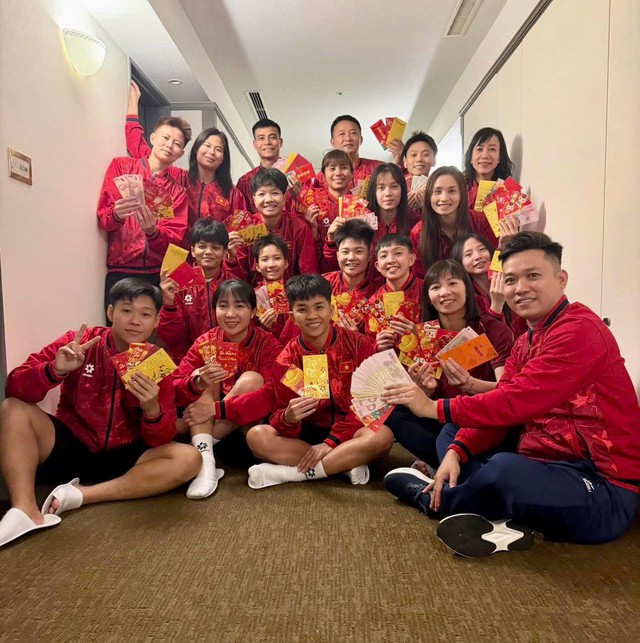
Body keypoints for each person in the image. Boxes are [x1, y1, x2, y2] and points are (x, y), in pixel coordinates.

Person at [382, 232, 640, 557]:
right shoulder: (525, 340)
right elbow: (501, 409)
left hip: (602, 487)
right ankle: (504, 519)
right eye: (511, 279)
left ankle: (439, 501)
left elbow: (512, 402)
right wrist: (456, 452)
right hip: (541, 463)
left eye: (533, 276)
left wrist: (432, 407)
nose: (520, 288)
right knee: (455, 434)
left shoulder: (579, 330)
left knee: (504, 468)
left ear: (561, 279)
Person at [0, 279, 201, 548]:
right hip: (73, 442)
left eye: (145, 314)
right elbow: (15, 385)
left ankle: (82, 495)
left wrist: (152, 408)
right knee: (12, 408)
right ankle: (26, 510)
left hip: (126, 453)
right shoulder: (81, 342)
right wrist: (54, 370)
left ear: (155, 322)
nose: (135, 321)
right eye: (126, 311)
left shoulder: (156, 361)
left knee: (190, 458)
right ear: (110, 312)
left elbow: (160, 439)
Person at [245, 274, 394, 489]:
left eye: (319, 307)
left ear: (331, 310)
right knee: (256, 436)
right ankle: (343, 463)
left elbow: (370, 405)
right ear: (292, 317)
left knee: (382, 436)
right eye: (303, 309)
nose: (312, 316)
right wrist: (288, 418)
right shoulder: (286, 361)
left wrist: (331, 442)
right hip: (306, 436)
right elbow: (280, 417)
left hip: (350, 431)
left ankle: (295, 474)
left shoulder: (359, 344)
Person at [385, 259, 514, 469]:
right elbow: (428, 402)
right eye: (436, 287)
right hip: (444, 415)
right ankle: (450, 465)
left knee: (452, 429)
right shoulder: (424, 336)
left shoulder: (493, 330)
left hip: (483, 417)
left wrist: (471, 384)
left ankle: (451, 468)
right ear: (428, 297)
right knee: (394, 411)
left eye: (453, 283)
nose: (444, 292)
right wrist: (425, 390)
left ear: (467, 289)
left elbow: (507, 390)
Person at [173, 280, 283, 499]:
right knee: (201, 374)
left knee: (252, 379)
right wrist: (197, 383)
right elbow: (176, 384)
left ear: (253, 311)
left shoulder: (268, 344)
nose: (230, 314)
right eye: (223, 306)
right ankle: (206, 464)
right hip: (206, 419)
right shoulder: (206, 341)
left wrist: (217, 409)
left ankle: (200, 447)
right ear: (215, 310)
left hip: (243, 427)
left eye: (239, 306)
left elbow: (273, 393)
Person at [97, 114, 190, 313]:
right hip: (121, 268)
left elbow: (174, 239)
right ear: (153, 137)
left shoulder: (178, 192)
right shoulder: (122, 167)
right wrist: (116, 215)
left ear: (181, 153)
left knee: (152, 329)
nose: (169, 145)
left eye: (177, 144)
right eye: (165, 138)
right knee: (118, 327)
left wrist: (153, 232)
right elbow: (103, 218)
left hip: (157, 273)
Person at [126, 81, 246, 229]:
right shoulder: (177, 178)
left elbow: (242, 229)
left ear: (223, 158)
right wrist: (133, 109)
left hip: (212, 245)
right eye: (207, 146)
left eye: (218, 149)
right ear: (196, 149)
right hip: (176, 243)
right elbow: (141, 149)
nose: (211, 152)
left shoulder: (233, 194)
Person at [157, 219, 239, 363]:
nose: (208, 252)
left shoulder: (234, 283)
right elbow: (172, 338)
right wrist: (169, 303)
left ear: (225, 253)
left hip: (227, 359)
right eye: (202, 246)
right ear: (193, 251)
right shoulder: (177, 284)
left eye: (215, 247)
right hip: (190, 360)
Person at [226, 168, 317, 286]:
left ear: (284, 198)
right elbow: (238, 280)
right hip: (254, 294)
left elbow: (308, 273)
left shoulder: (299, 227)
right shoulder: (246, 228)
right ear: (254, 200)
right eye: (262, 194)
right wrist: (231, 257)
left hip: (292, 292)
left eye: (275, 193)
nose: (268, 200)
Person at [410, 166, 498, 279]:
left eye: (451, 191)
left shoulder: (481, 221)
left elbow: (494, 266)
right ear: (429, 196)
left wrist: (503, 245)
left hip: (478, 287)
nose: (444, 198)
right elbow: (420, 277)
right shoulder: (418, 232)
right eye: (437, 191)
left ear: (462, 194)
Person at [451, 233, 528, 338]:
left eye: (482, 249)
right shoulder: (465, 298)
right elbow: (481, 341)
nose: (478, 256)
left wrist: (502, 245)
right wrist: (496, 307)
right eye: (468, 254)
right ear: (460, 263)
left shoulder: (509, 279)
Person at [365, 234, 423, 350]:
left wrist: (419, 334)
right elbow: (368, 343)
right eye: (384, 256)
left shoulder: (427, 291)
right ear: (377, 266)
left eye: (398, 253)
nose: (391, 260)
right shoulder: (373, 303)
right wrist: (377, 346)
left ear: (411, 259)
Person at [301, 150, 354, 271]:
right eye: (332, 168)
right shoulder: (313, 203)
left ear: (352, 174)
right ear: (323, 175)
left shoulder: (359, 205)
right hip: (322, 272)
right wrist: (313, 230)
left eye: (344, 167)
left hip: (352, 269)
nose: (338, 173)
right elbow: (306, 253)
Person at [236, 118, 304, 212]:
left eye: (272, 137)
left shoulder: (298, 174)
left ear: (280, 142)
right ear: (255, 144)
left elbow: (313, 209)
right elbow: (240, 216)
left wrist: (300, 196)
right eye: (261, 138)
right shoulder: (245, 182)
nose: (267, 142)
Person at [315, 115, 382, 193]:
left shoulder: (378, 168)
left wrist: (396, 158)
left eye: (353, 133)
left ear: (361, 140)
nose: (348, 138)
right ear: (332, 142)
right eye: (342, 134)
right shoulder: (321, 178)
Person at [252, 234, 299, 344]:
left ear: (286, 263)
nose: (271, 264)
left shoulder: (298, 292)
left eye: (277, 258)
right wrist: (262, 329)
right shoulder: (252, 297)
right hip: (267, 348)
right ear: (257, 266)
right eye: (265, 259)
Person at [463, 127, 514, 215]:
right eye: (480, 149)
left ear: (499, 157)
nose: (485, 155)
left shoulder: (509, 191)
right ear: (471, 157)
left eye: (492, 149)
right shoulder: (458, 186)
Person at [400, 131, 438, 214]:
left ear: (434, 160)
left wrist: (428, 207)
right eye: (414, 155)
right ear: (405, 162)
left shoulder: (440, 188)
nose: (419, 159)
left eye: (425, 154)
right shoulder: (396, 188)